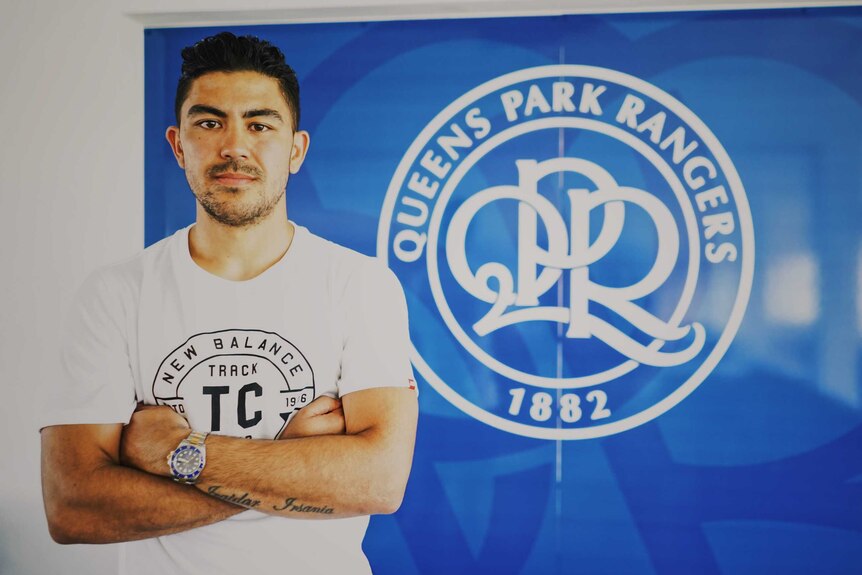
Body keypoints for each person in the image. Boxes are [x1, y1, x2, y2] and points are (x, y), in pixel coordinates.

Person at [40, 31, 418, 575]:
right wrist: (291, 459)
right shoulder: (115, 294)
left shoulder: (359, 284)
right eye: (209, 123)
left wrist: (175, 453)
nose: (234, 146)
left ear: (296, 149)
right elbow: (74, 507)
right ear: (178, 144)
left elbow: (378, 482)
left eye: (260, 125)